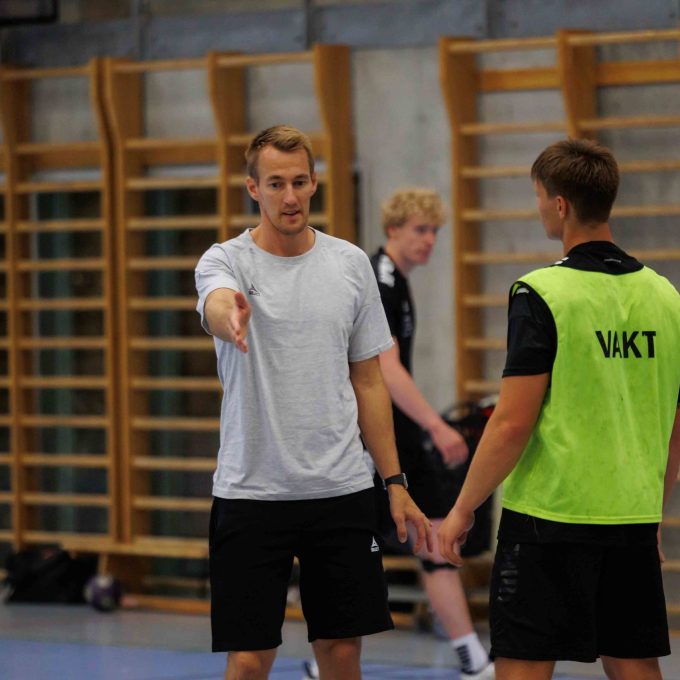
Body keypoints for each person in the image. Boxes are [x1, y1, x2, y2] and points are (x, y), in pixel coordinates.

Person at [194, 124, 431, 680]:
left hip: (340, 490)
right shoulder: (224, 260)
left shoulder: (349, 263)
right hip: (251, 492)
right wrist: (230, 316)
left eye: (299, 182)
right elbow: (215, 302)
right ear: (253, 188)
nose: (290, 196)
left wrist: (394, 483)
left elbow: (369, 380)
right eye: (276, 184)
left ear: (314, 182)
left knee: (342, 653)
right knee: (248, 660)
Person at [438, 138, 680, 680]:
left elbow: (512, 422)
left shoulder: (541, 293)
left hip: (548, 519)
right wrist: (652, 511)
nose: (539, 207)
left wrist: (463, 508)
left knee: (524, 664)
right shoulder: (667, 298)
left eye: (538, 196)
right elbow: (675, 425)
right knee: (634, 663)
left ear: (560, 204)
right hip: (631, 518)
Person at [371, 188, 494, 680]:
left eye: (435, 231)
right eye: (420, 230)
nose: (429, 240)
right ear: (393, 230)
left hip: (397, 433)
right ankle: (328, 659)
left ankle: (470, 655)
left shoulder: (398, 280)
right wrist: (436, 425)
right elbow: (386, 369)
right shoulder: (380, 280)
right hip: (376, 437)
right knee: (365, 546)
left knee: (436, 535)